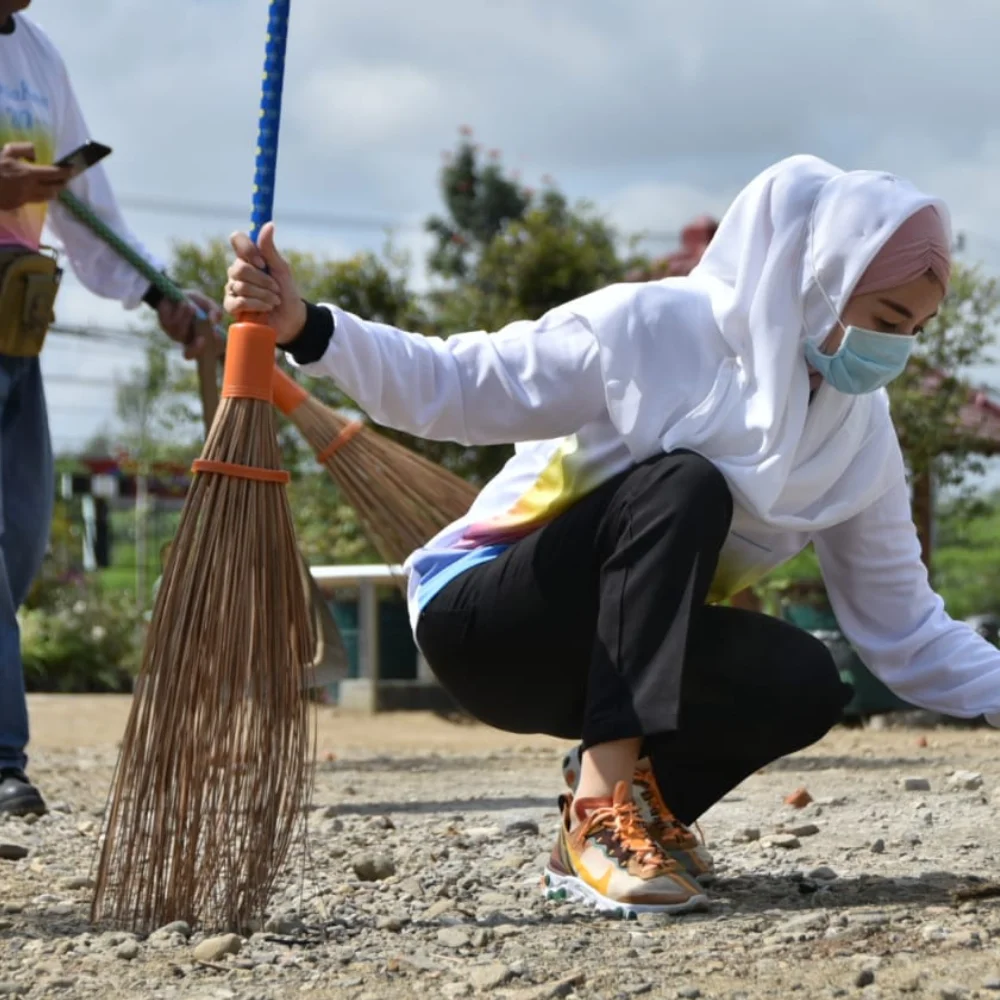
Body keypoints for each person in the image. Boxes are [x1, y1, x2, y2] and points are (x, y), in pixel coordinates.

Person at [223, 153, 1000, 918]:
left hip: (611, 664)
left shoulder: (859, 440)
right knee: (687, 485)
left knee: (804, 678)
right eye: (888, 322)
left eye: (917, 331)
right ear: (817, 283)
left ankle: (643, 813)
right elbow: (459, 385)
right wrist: (308, 326)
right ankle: (601, 811)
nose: (895, 352)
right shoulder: (658, 327)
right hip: (487, 619)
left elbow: (906, 630)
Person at [0, 0, 221, 816]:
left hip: (14, 326)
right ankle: (1, 761)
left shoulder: (38, 56)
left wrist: (159, 292)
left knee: (18, 543)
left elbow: (87, 206)